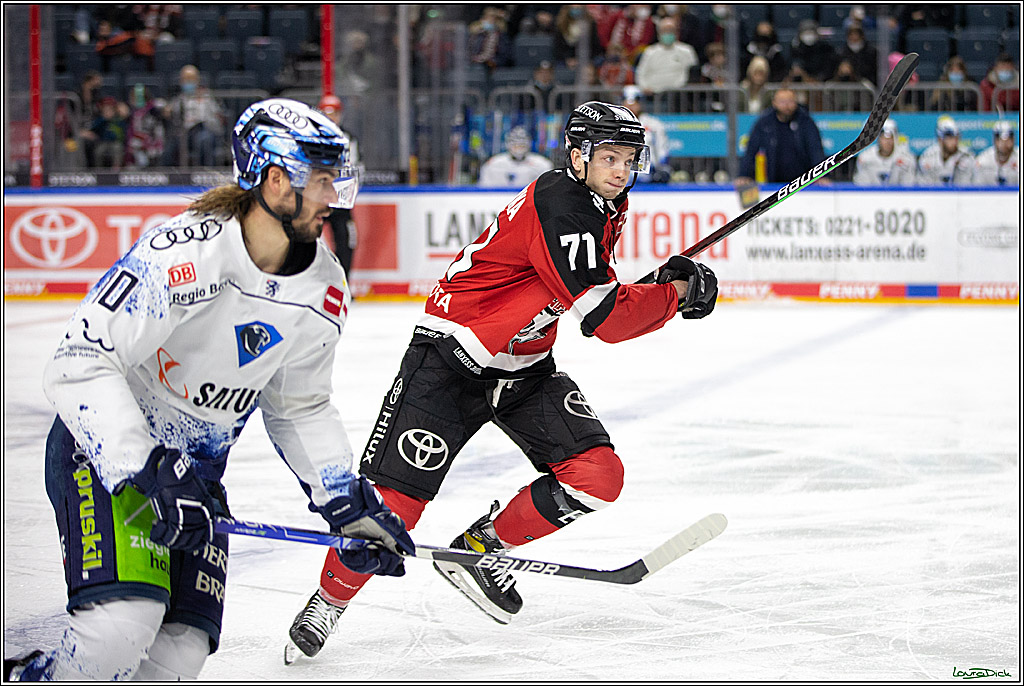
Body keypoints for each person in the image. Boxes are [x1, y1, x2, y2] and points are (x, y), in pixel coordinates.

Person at [286, 100, 718, 660]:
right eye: (609, 157)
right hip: (453, 360)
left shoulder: (604, 203)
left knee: (596, 475)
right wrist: (675, 295)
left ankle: (481, 548)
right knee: (392, 507)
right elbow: (605, 320)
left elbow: (588, 291)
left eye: (629, 158)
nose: (621, 170)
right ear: (578, 156)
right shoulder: (563, 203)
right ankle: (329, 600)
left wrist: (654, 289)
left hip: (524, 367)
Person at [2, 98, 413, 681]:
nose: (333, 198)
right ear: (275, 180)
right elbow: (80, 361)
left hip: (193, 480)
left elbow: (298, 406)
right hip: (106, 457)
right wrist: (145, 465)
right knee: (121, 627)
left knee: (179, 654)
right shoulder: (183, 254)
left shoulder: (324, 286)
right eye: (321, 181)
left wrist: (344, 500)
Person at [735, 88, 827, 185]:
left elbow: (815, 150)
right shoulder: (765, 123)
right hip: (774, 181)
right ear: (774, 103)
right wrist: (744, 174)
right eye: (782, 102)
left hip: (803, 181)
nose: (787, 106)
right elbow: (751, 150)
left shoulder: (806, 122)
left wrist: (821, 175)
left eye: (790, 101)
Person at [318, 94, 360, 274]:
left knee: (347, 240)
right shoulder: (311, 137)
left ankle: (343, 281)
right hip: (318, 199)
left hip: (340, 199)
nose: (331, 118)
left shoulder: (348, 138)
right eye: (326, 113)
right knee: (308, 239)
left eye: (334, 113)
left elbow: (354, 167)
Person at [162, 64, 225, 167]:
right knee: (171, 144)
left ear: (197, 80)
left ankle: (205, 172)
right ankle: (168, 174)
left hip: (206, 129)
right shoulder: (180, 98)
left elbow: (218, 115)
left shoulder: (207, 96)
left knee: (203, 140)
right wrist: (168, 110)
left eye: (191, 78)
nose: (188, 82)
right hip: (186, 132)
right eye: (185, 79)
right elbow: (170, 112)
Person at [634, 16, 700, 95]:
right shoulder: (650, 52)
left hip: (680, 95)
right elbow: (640, 73)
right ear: (659, 33)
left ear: (676, 32)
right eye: (665, 30)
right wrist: (644, 87)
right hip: (654, 95)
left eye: (671, 30)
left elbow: (692, 75)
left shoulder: (687, 51)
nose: (668, 33)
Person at [622, 85, 670, 182]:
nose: (631, 107)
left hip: (649, 171)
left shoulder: (653, 123)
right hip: (622, 170)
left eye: (634, 103)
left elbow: (663, 149)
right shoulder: (615, 124)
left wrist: (660, 167)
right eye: (628, 103)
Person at [478, 126, 554, 187]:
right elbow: (484, 188)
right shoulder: (493, 163)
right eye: (515, 145)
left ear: (529, 144)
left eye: (522, 145)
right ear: (507, 144)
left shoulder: (542, 164)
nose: (518, 148)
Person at [852, 118, 917, 186]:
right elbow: (861, 187)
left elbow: (908, 188)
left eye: (891, 138)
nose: (887, 142)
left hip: (898, 192)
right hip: (871, 192)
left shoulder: (906, 159)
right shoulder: (865, 158)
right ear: (878, 138)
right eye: (884, 138)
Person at [916, 116, 975, 186]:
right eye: (950, 138)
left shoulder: (966, 157)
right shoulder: (927, 157)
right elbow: (923, 187)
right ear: (940, 139)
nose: (954, 141)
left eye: (956, 137)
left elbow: (968, 186)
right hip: (934, 192)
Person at [80, 95, 129, 169]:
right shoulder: (100, 119)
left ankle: (116, 168)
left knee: (118, 148)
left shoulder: (118, 119)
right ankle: (99, 169)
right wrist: (104, 118)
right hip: (103, 142)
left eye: (110, 109)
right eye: (106, 109)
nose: (108, 111)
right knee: (98, 151)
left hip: (115, 142)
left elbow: (123, 129)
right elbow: (93, 127)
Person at [973, 120, 1019, 186]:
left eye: (1007, 140)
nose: (1004, 144)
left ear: (1013, 140)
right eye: (1000, 140)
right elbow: (977, 187)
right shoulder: (983, 160)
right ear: (994, 140)